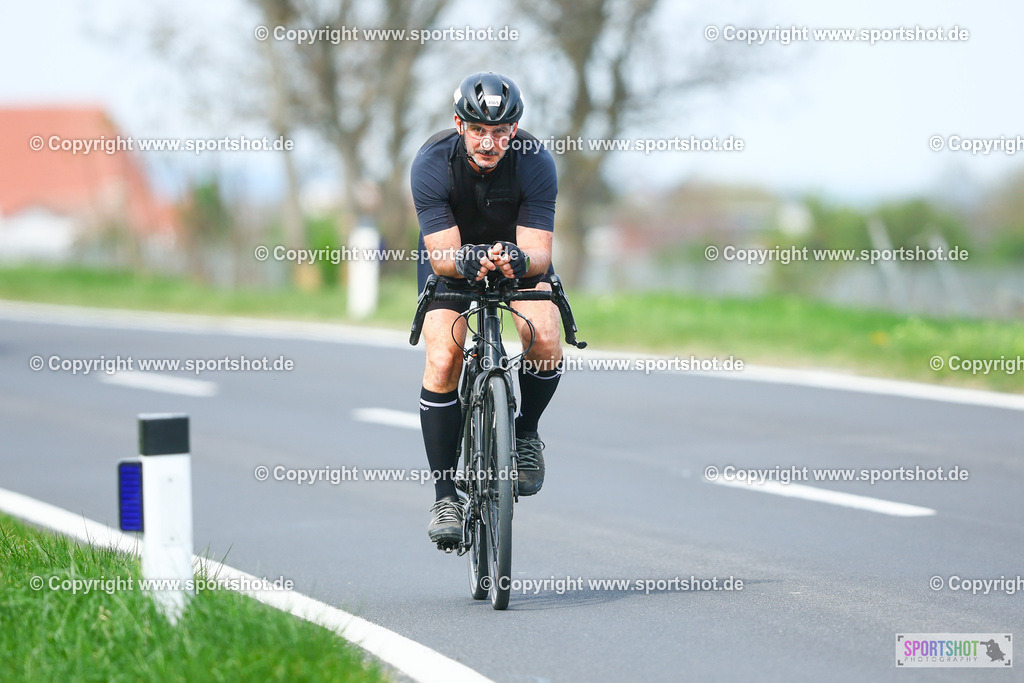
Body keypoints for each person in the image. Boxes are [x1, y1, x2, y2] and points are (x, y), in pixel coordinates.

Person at [410, 71, 562, 546]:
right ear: (460, 124)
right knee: (443, 356)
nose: (489, 142)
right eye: (479, 130)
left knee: (545, 334)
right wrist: (468, 258)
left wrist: (516, 259)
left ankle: (525, 435)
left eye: (500, 132)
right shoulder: (432, 163)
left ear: (514, 130)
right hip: (452, 258)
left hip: (516, 256)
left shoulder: (535, 160)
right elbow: (441, 256)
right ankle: (444, 495)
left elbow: (539, 250)